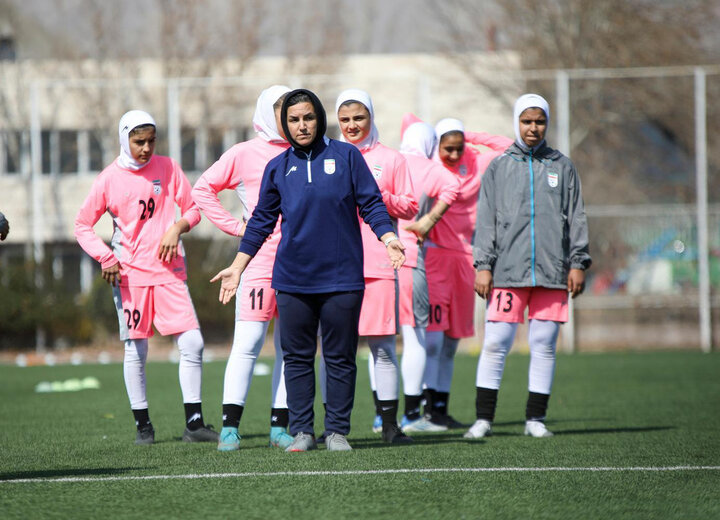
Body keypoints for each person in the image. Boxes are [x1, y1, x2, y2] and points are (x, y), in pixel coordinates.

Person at [211, 89, 405, 452]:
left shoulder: (346, 156)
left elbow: (371, 203)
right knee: (297, 358)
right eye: (294, 120)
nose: (302, 126)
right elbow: (260, 223)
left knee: (340, 357)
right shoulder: (278, 167)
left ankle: (336, 432)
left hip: (342, 278)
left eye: (308, 117)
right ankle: (301, 431)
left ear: (319, 118)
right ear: (285, 125)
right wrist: (238, 267)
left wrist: (389, 237)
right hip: (293, 279)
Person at [75, 110, 218, 445]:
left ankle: (194, 424)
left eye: (151, 140)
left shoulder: (168, 168)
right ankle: (144, 426)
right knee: (136, 349)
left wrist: (178, 227)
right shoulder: (109, 179)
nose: (146, 147)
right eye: (139, 141)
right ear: (125, 139)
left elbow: (195, 208)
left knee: (193, 343)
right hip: (130, 277)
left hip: (169, 272)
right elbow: (82, 226)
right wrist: (106, 257)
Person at [465, 93, 591, 439]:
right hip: (507, 271)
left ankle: (536, 420)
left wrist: (578, 261)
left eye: (539, 121)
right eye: (526, 121)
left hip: (551, 274)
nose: (533, 128)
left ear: (546, 123)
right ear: (517, 123)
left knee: (545, 344)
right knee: (495, 343)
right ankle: (483, 420)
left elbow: (576, 217)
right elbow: (486, 219)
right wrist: (483, 265)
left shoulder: (562, 166)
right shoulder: (499, 166)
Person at [192, 85, 295, 451]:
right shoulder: (245, 153)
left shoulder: (309, 152)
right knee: (249, 342)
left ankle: (280, 428)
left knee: (291, 347)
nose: (288, 119)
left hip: (302, 262)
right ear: (268, 112)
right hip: (257, 260)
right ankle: (231, 428)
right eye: (282, 110)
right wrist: (238, 227)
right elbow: (202, 189)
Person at [335, 89, 418, 444]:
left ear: (371, 118)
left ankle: (388, 424)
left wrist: (374, 194)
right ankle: (335, 427)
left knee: (382, 347)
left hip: (380, 265)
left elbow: (411, 206)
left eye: (359, 118)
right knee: (337, 350)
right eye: (345, 119)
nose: (353, 125)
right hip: (335, 266)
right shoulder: (328, 156)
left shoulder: (392, 159)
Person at [422, 116, 513, 429]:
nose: (453, 155)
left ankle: (440, 410)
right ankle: (424, 410)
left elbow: (509, 147)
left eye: (458, 148)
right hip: (434, 259)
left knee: (451, 342)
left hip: (466, 260)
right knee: (432, 341)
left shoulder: (475, 161)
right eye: (447, 148)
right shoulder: (430, 166)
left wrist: (467, 133)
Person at [395, 115, 461, 432]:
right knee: (415, 337)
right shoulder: (430, 169)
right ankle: (410, 415)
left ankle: (382, 415)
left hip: (376, 258)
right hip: (410, 257)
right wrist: (428, 221)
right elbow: (453, 186)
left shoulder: (389, 159)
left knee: (378, 342)